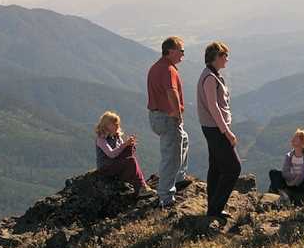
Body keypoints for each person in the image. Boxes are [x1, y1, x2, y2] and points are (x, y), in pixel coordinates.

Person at [196, 41, 242, 219]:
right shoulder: (210, 78)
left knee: (215, 167)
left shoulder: (210, 75)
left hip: (212, 127)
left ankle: (212, 207)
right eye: (225, 56)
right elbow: (213, 107)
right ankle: (215, 208)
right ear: (216, 57)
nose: (227, 59)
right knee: (233, 168)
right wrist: (227, 132)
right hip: (216, 129)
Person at [147, 36, 189, 209]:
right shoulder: (168, 69)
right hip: (167, 117)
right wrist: (177, 113)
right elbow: (171, 91)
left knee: (183, 139)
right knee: (170, 157)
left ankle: (179, 179)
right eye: (181, 51)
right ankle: (166, 197)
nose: (183, 55)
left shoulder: (156, 67)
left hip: (156, 116)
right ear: (171, 51)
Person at [94, 111, 155, 196]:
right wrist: (125, 145)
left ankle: (139, 183)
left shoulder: (116, 136)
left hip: (115, 163)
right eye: (114, 124)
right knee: (131, 160)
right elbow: (111, 154)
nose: (117, 126)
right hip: (106, 167)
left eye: (117, 124)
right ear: (106, 125)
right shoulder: (101, 139)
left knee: (130, 151)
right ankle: (141, 187)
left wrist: (129, 144)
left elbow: (122, 151)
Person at [268, 129, 304, 208]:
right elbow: (285, 172)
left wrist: (293, 181)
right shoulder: (289, 156)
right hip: (291, 182)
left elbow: (303, 174)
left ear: (303, 142)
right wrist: (291, 181)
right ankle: (284, 196)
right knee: (274, 172)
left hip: (302, 185)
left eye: (296, 137)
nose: (293, 138)